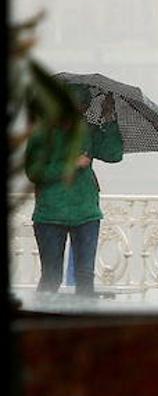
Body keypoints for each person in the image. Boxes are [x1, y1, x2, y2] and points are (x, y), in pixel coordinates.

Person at [24, 87, 123, 297]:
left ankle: (84, 326)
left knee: (85, 276)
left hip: (86, 212)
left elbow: (114, 154)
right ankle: (42, 324)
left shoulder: (89, 131)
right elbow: (34, 172)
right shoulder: (41, 135)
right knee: (51, 276)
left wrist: (109, 118)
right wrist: (72, 164)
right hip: (50, 214)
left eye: (83, 106)